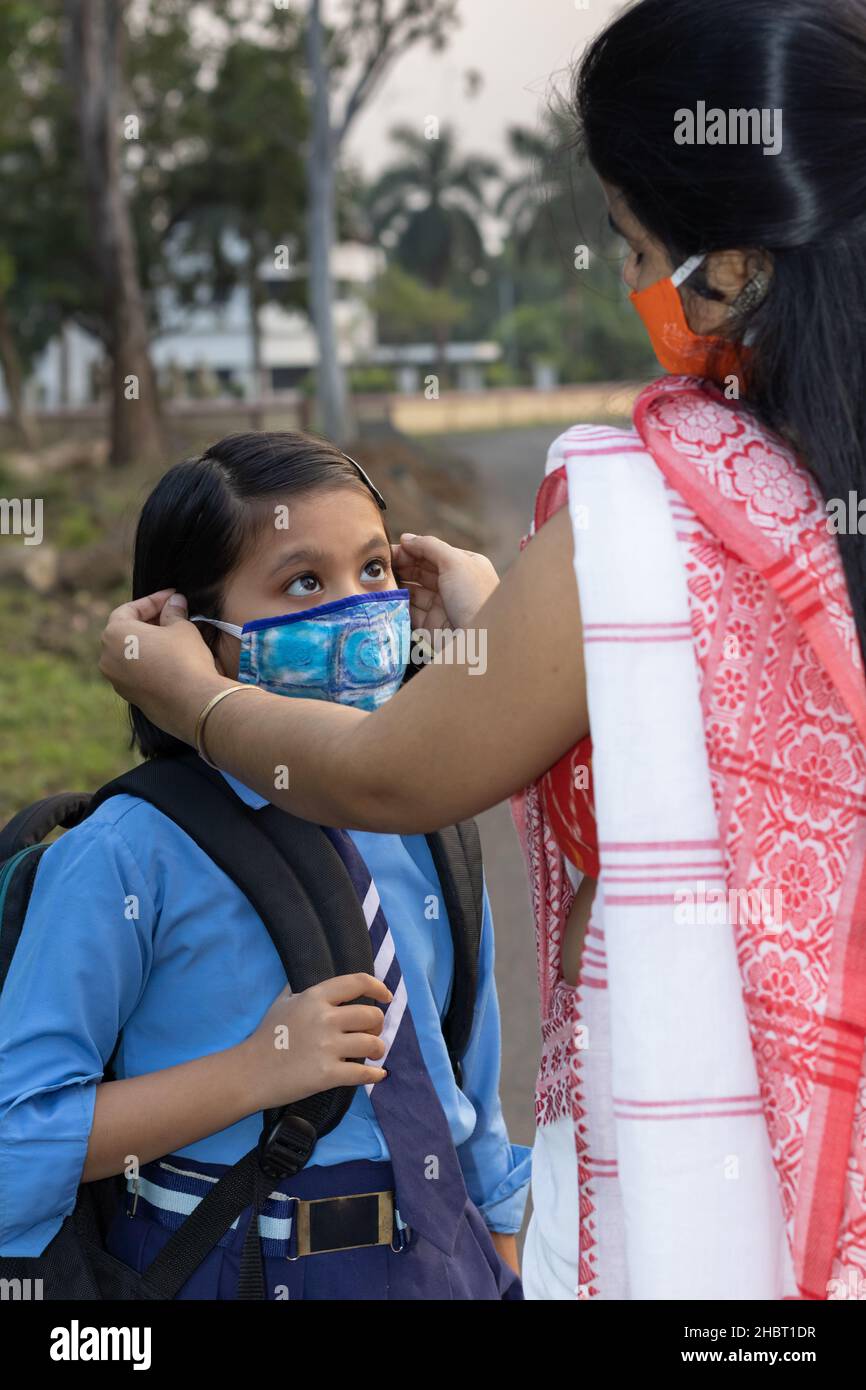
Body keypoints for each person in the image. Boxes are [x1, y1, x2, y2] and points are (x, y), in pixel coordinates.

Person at [98, 0, 866, 1301]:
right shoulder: (125, 859)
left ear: (729, 269)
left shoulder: (641, 511)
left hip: (699, 1171)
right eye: (303, 581)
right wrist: (508, 612)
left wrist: (200, 695)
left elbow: (392, 771)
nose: (636, 289)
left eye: (635, 248)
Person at [0, 432, 529, 1300]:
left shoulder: (428, 820)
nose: (357, 610)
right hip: (237, 1264)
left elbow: (468, 1079)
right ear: (192, 638)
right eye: (303, 583)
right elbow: (18, 1137)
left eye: (373, 570)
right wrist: (251, 1073)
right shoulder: (128, 853)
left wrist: (499, 1249)